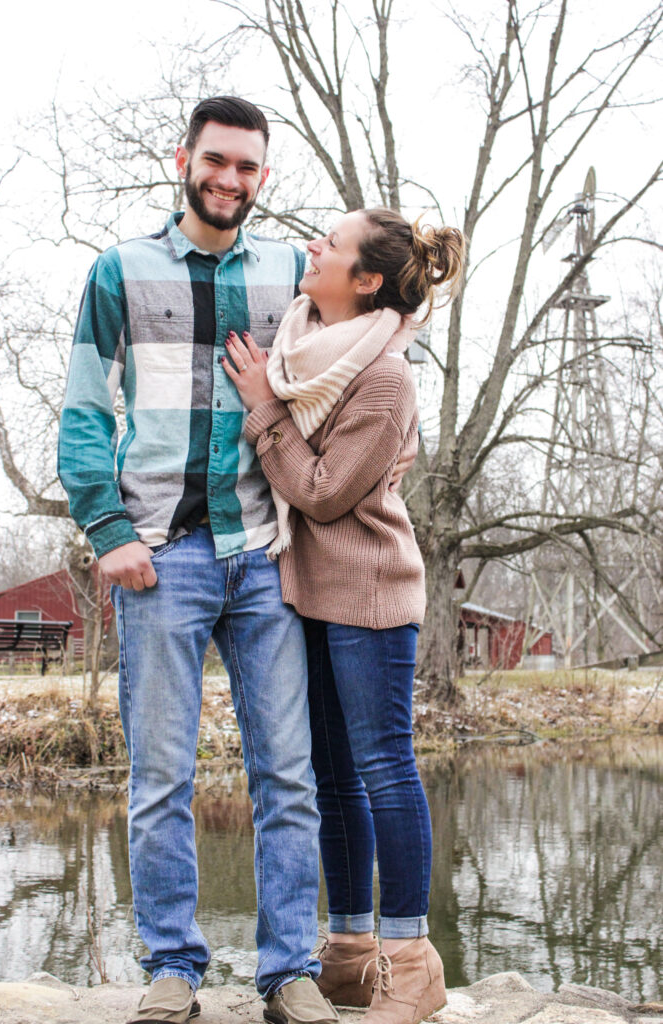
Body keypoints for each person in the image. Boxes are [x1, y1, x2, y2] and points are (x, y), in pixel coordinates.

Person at [58, 97, 339, 1024]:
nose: (228, 180)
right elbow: (86, 408)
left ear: (264, 175)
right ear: (184, 158)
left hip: (267, 557)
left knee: (287, 775)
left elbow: (351, 376)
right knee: (161, 777)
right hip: (162, 556)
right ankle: (173, 963)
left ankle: (288, 968)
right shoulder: (119, 271)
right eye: (215, 161)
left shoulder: (296, 272)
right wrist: (107, 530)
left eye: (247, 167)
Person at [222, 207, 465, 1024]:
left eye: (331, 242)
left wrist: (263, 410)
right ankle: (351, 953)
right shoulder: (305, 347)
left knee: (385, 769)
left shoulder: (384, 376)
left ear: (365, 280)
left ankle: (410, 961)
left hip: (368, 596)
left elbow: (323, 493)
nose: (312, 246)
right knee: (331, 779)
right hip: (308, 593)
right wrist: (274, 397)